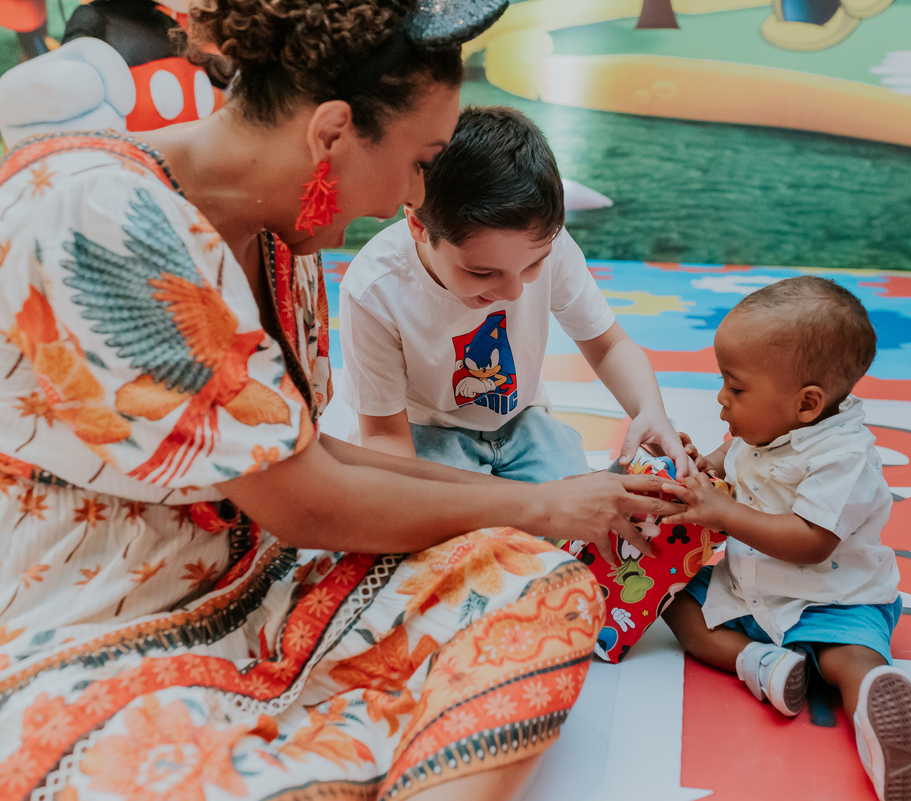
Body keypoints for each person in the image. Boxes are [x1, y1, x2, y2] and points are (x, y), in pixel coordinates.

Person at [0, 2, 682, 799]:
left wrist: (544, 503)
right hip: (105, 596)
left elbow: (305, 459)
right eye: (423, 158)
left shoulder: (278, 239)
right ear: (331, 134)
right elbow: (307, 502)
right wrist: (540, 506)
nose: (420, 190)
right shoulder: (104, 214)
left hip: (260, 568)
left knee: (540, 583)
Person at [661, 277, 911, 801]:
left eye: (736, 389)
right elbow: (729, 463)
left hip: (832, 601)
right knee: (672, 601)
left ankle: (879, 720)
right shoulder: (762, 429)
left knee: (846, 659)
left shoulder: (844, 459)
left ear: (807, 404)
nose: (721, 400)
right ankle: (762, 665)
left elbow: (811, 540)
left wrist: (725, 513)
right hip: (747, 590)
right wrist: (699, 469)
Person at [340, 105, 692, 482]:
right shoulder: (374, 290)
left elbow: (607, 346)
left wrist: (650, 410)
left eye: (532, 267)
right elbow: (383, 436)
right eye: (482, 272)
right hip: (423, 433)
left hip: (523, 422)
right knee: (453, 527)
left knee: (578, 515)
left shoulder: (546, 244)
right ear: (418, 225)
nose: (513, 290)